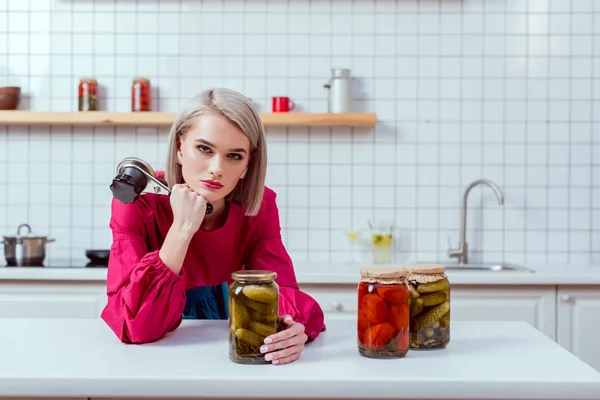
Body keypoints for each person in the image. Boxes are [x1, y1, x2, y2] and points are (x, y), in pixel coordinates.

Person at [101, 88, 326, 365]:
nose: (216, 168)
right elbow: (132, 324)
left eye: (234, 156)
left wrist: (292, 328)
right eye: (204, 149)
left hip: (228, 335)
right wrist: (182, 228)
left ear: (248, 163)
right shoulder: (138, 202)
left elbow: (280, 292)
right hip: (157, 348)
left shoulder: (260, 206)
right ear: (180, 145)